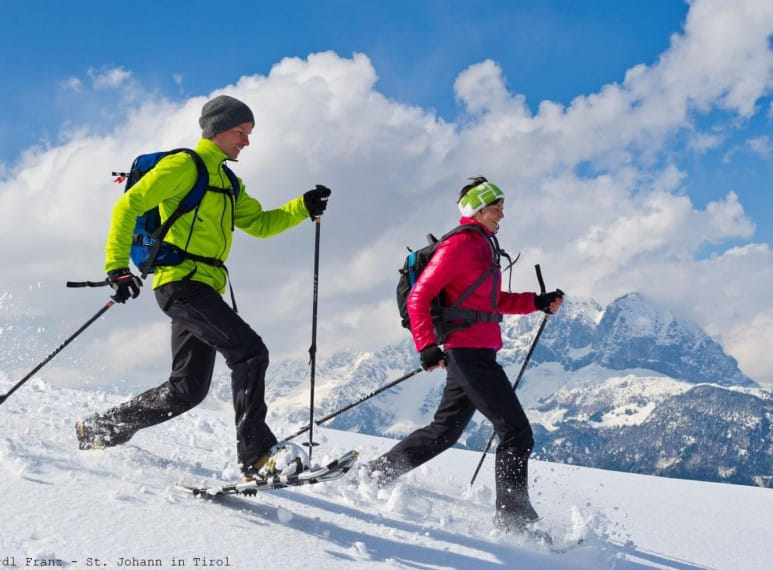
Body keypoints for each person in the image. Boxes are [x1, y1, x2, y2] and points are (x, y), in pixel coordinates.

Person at [75, 94, 332, 479]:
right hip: (180, 284)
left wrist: (302, 206)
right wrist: (117, 268)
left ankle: (98, 429)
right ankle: (258, 457)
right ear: (218, 130)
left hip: (204, 288)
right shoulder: (184, 166)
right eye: (240, 132)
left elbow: (261, 224)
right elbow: (127, 206)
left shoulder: (228, 181)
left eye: (248, 134)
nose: (246, 142)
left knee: (188, 389)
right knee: (249, 352)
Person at [366, 177, 563, 532]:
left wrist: (536, 302)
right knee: (516, 432)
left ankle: (373, 475)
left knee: (444, 432)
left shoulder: (484, 247)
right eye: (497, 206)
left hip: (479, 352)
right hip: (466, 352)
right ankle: (514, 521)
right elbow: (419, 297)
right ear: (478, 208)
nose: (503, 213)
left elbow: (493, 302)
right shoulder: (460, 246)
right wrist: (426, 346)